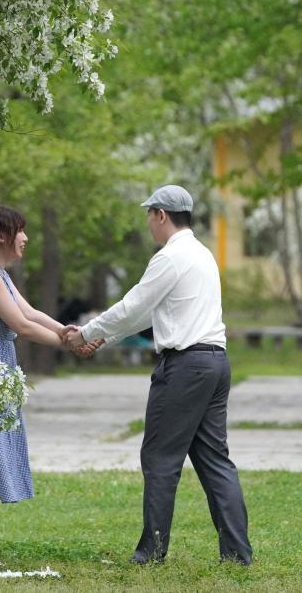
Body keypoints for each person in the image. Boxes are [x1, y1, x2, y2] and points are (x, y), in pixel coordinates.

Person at [65, 185, 252, 565]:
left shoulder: (169, 258)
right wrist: (107, 337)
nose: (148, 222)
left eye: (149, 215)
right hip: (215, 362)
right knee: (215, 459)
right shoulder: (201, 255)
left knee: (160, 458)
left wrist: (86, 333)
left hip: (185, 367)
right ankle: (236, 553)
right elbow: (154, 311)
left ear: (161, 215)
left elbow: (134, 304)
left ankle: (151, 553)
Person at [0, 205, 100, 567]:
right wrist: (70, 345)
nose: (25, 238)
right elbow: (21, 326)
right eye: (20, 231)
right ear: (0, 236)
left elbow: (31, 313)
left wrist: (70, 332)